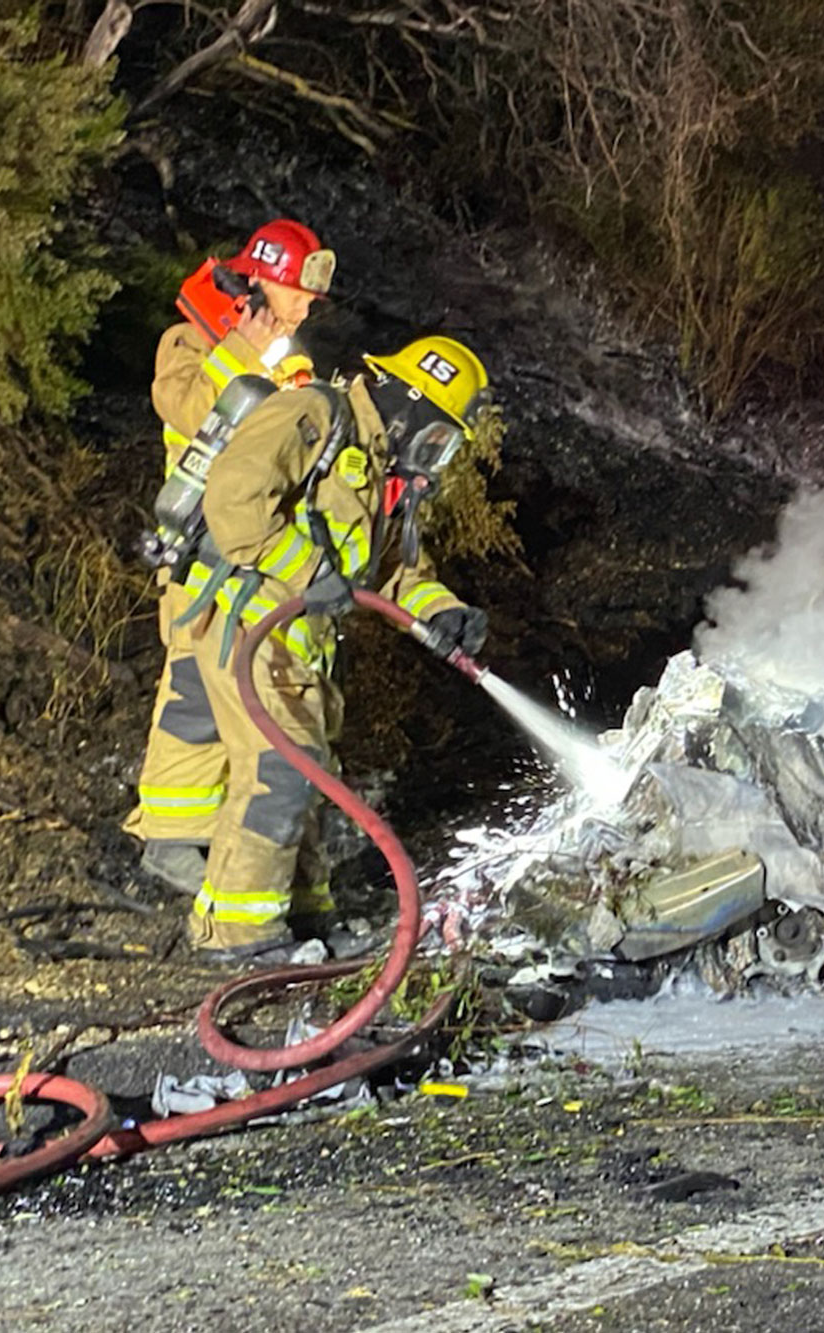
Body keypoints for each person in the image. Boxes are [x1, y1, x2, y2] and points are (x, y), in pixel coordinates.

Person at [171, 334, 493, 962]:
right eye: (437, 438)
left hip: (304, 649)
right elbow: (234, 498)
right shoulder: (314, 414)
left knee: (311, 775)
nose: (435, 456)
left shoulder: (378, 470)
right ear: (408, 405)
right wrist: (307, 569)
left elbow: (396, 572)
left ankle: (306, 914)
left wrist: (442, 612)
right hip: (248, 625)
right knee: (279, 770)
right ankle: (234, 932)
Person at [126, 220, 335, 897]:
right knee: (192, 693)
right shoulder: (190, 340)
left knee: (226, 693)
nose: (304, 311)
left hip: (247, 556)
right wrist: (240, 350)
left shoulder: (287, 357)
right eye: (296, 295)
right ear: (260, 282)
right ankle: (168, 837)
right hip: (195, 551)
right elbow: (185, 408)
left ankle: (211, 833)